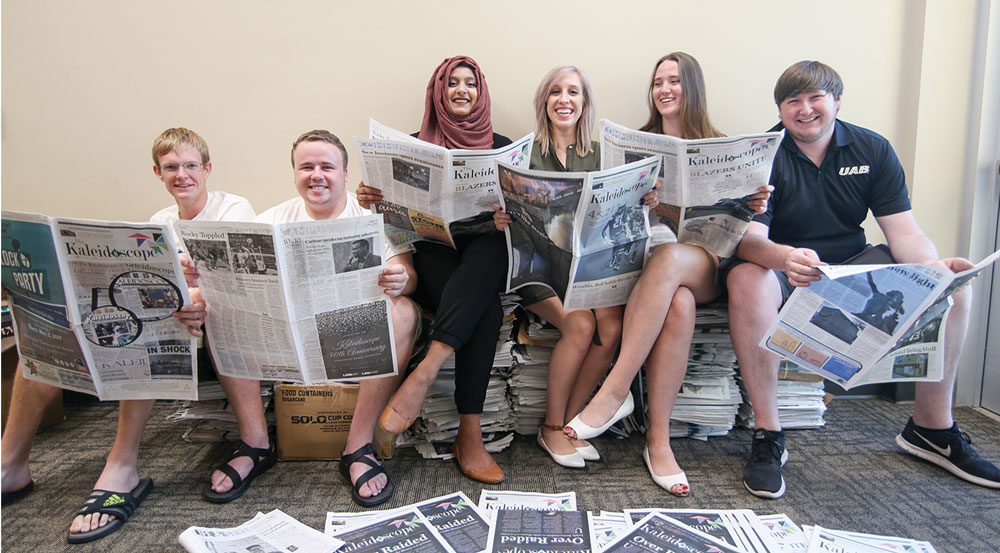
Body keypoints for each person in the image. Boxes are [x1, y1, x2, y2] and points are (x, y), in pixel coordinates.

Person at [726, 60, 1000, 498]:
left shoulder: (872, 149)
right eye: (792, 101)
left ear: (837, 101)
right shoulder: (763, 154)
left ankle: (932, 428)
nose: (805, 109)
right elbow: (749, 241)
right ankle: (768, 434)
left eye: (815, 97)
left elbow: (903, 231)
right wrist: (785, 257)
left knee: (951, 293)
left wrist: (931, 268)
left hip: (854, 263)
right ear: (780, 111)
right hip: (784, 265)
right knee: (744, 280)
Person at [0, 128, 249, 543]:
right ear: (158, 172)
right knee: (51, 333)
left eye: (190, 166)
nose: (181, 175)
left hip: (212, 322)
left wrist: (197, 292)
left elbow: (228, 278)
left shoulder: (232, 208)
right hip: (174, 314)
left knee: (146, 328)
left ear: (207, 170)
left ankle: (122, 466)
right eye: (171, 168)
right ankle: (11, 462)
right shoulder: (158, 223)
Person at [560, 53, 771, 497]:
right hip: (648, 272)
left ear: (692, 87)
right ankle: (658, 442)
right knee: (678, 303)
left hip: (705, 263)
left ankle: (615, 390)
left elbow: (741, 225)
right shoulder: (637, 146)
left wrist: (753, 203)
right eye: (658, 82)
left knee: (675, 259)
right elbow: (606, 219)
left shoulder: (720, 144)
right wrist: (639, 201)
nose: (665, 90)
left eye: (674, 81)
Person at [493, 65, 655, 468]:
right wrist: (500, 216)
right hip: (540, 268)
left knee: (612, 329)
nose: (564, 99)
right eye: (555, 92)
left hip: (591, 265)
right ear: (544, 102)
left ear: (585, 104)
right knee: (581, 326)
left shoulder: (603, 154)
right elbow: (499, 208)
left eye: (573, 92)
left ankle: (571, 424)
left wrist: (646, 200)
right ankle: (551, 428)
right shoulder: (522, 154)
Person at [360, 55, 512, 483]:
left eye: (471, 83)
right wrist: (368, 195)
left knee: (491, 246)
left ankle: (426, 371)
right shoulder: (412, 145)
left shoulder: (502, 145)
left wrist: (506, 213)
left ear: (482, 93)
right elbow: (387, 210)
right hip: (432, 254)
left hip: (485, 251)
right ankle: (470, 434)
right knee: (487, 310)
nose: (462, 90)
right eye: (452, 83)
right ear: (438, 92)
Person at [256, 130, 419, 506]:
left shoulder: (373, 218)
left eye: (327, 167)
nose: (317, 175)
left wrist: (401, 279)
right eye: (306, 167)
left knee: (404, 311)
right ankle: (254, 444)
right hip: (294, 335)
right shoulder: (273, 219)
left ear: (345, 173)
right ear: (295, 173)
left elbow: (408, 275)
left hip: (356, 332)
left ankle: (357, 447)